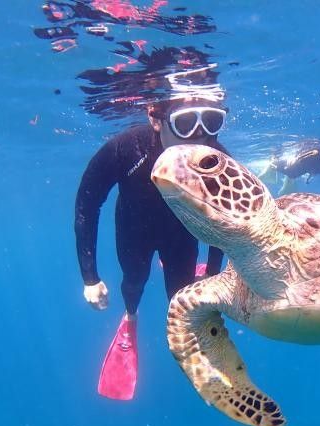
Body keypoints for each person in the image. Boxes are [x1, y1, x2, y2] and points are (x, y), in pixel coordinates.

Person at [74, 96, 229, 400]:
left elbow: (223, 218)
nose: (200, 137)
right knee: (134, 282)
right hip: (135, 232)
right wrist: (89, 277)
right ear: (155, 119)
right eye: (185, 123)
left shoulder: (217, 159)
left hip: (181, 236)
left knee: (180, 300)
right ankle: (130, 318)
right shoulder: (127, 147)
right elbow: (87, 205)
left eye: (211, 122)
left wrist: (211, 273)